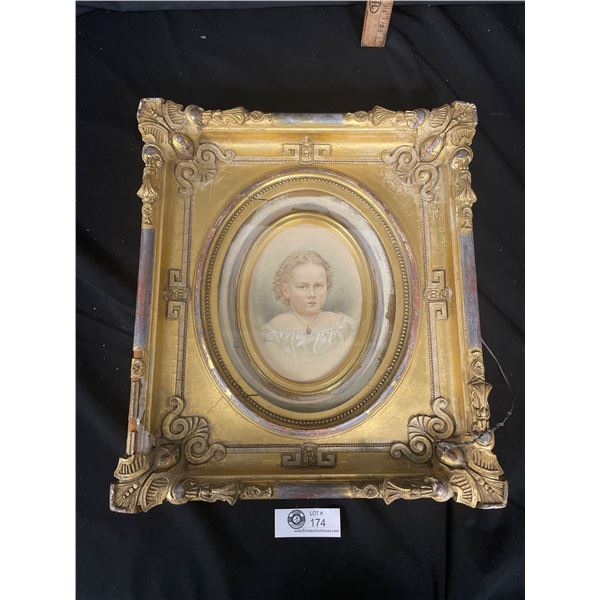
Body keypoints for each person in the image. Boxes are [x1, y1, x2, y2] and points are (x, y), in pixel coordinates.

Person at [258, 250, 357, 382]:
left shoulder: (342, 327)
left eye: (318, 286)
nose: (312, 294)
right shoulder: (274, 331)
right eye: (303, 287)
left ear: (327, 286)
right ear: (286, 290)